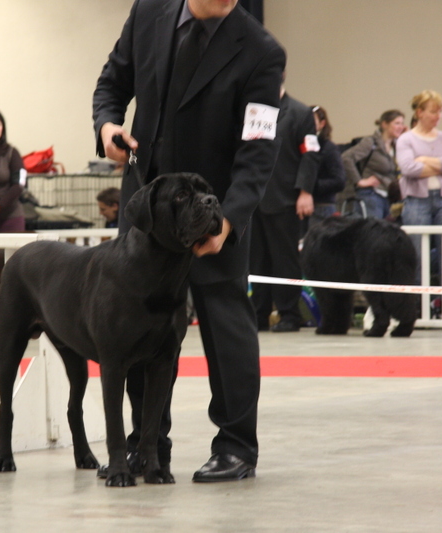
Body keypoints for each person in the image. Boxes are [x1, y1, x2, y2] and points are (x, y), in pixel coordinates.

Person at [93, 0, 285, 482]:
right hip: (148, 213)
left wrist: (228, 221)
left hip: (211, 215)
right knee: (136, 327)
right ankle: (147, 443)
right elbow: (112, 84)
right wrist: (108, 126)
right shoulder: (148, 12)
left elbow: (258, 152)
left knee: (226, 324)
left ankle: (237, 446)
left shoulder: (262, 51)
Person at [250, 84, 321, 332]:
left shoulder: (300, 112)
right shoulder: (252, 110)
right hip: (253, 198)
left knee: (285, 261)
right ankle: (258, 315)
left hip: (286, 198)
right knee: (256, 261)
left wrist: (305, 191)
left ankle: (289, 315)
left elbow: (310, 154)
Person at [396, 90, 442, 291]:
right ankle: (417, 305)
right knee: (417, 254)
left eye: (440, 111)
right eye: (433, 111)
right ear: (419, 112)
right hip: (416, 201)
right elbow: (408, 168)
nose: (438, 116)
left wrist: (424, 160)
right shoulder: (406, 139)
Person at [341, 109, 405, 219]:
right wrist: (359, 181)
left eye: (402, 123)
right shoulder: (371, 142)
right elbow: (346, 158)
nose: (401, 127)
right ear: (385, 124)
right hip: (371, 195)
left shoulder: (397, 146)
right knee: (373, 233)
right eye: (397, 123)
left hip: (388, 198)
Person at [307, 105, 345, 230]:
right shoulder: (302, 144)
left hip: (322, 207)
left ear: (322, 123)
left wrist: (308, 186)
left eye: (311, 121)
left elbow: (339, 181)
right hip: (304, 207)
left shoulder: (329, 148)